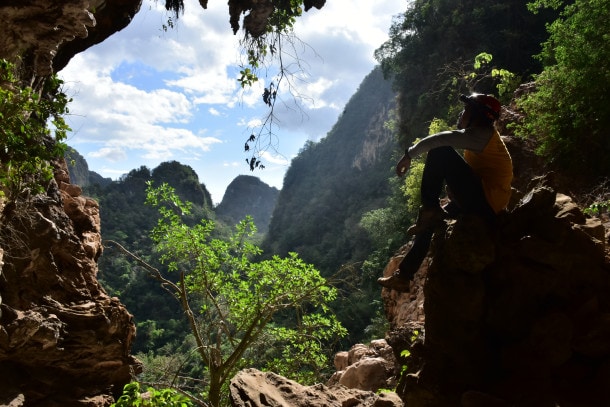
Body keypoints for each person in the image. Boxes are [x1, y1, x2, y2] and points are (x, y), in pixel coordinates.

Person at [377, 93, 513, 292]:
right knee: (428, 222)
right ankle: (404, 276)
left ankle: (430, 209)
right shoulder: (480, 137)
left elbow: (440, 140)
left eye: (467, 109)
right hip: (486, 201)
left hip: (487, 204)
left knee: (440, 153)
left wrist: (409, 154)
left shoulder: (481, 136)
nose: (462, 113)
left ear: (478, 115)